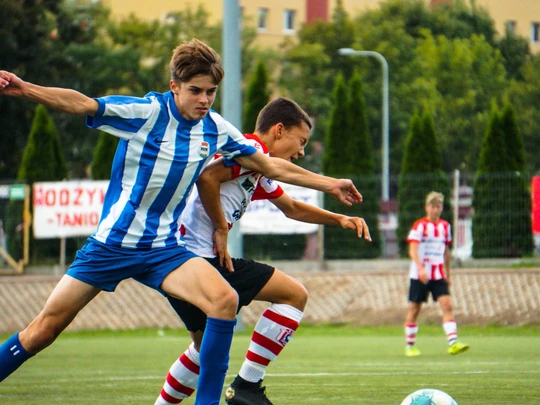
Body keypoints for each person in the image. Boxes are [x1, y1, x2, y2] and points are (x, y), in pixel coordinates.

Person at [0, 39, 363, 405]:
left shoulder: (216, 129)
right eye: (195, 91)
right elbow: (83, 103)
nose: (204, 99)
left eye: (211, 92)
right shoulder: (146, 114)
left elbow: (269, 165)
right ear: (174, 86)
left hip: (163, 249)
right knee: (41, 332)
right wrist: (26, 88)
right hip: (111, 246)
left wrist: (330, 183)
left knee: (224, 301)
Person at [155, 97, 371, 405]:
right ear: (279, 130)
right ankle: (246, 385)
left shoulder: (257, 166)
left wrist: (340, 219)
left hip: (182, 260)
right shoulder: (248, 149)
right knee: (293, 295)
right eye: (301, 141)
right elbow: (208, 178)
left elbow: (292, 209)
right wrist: (221, 226)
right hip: (199, 259)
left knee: (205, 352)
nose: (301, 152)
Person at [404, 191, 469, 357]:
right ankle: (410, 345)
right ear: (427, 207)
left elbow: (446, 251)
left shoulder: (445, 227)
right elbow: (412, 249)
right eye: (432, 206)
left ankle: (453, 343)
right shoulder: (419, 226)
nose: (435, 209)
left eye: (438, 206)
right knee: (415, 309)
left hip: (438, 274)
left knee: (447, 305)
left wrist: (448, 273)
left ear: (441, 208)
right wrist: (420, 268)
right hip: (420, 274)